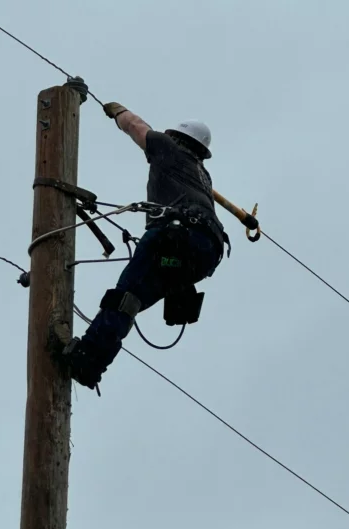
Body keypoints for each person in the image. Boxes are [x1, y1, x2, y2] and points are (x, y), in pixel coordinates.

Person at [62, 101, 229, 390]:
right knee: (131, 302)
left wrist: (117, 112)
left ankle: (88, 360)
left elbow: (137, 126)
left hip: (177, 236)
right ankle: (90, 360)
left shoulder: (168, 148)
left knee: (124, 299)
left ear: (176, 136)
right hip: (205, 254)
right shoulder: (201, 174)